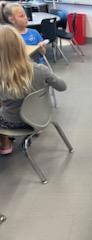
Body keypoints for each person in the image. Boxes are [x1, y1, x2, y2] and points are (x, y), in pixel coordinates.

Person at [0, 25, 66, 154]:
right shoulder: (41, 69)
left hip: (13, 123)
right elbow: (62, 87)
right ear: (21, 46)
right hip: (39, 117)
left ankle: (6, 145)